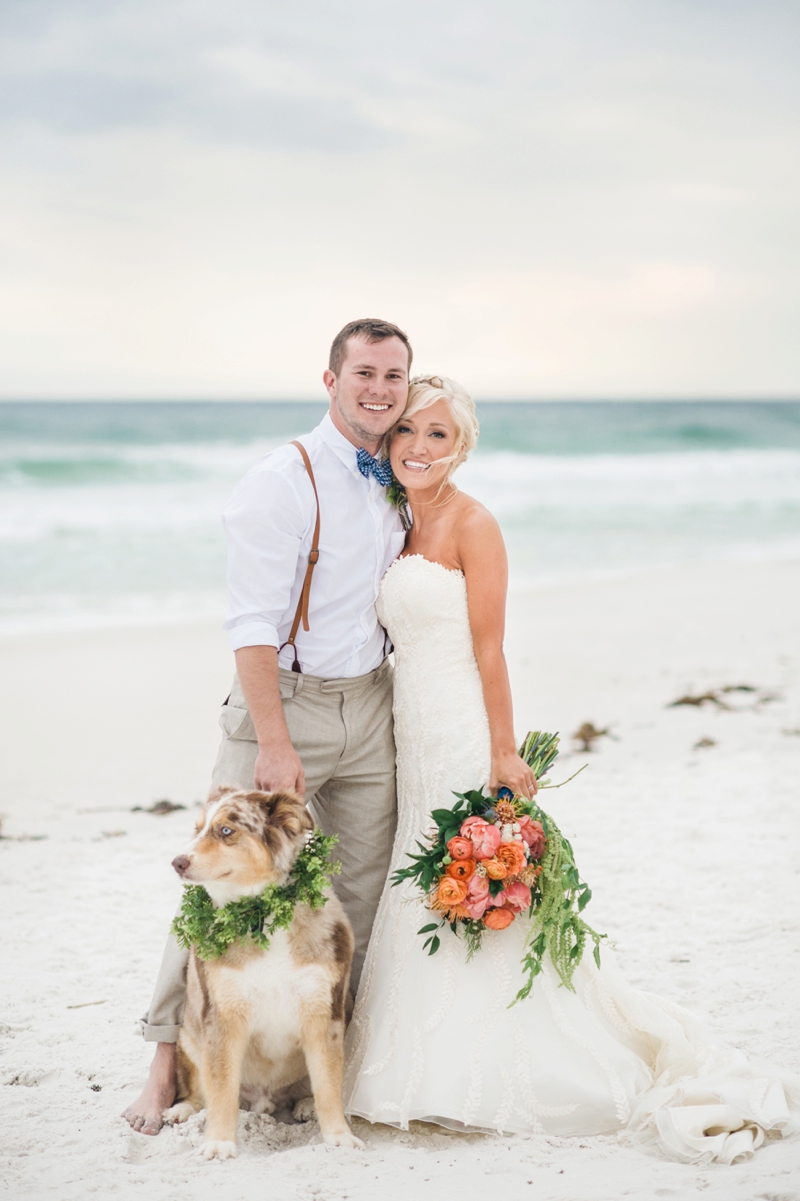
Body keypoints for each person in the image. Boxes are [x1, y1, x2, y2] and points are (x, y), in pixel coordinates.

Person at [343, 374, 800, 1164]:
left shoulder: (474, 523)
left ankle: (485, 1067)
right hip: (406, 730)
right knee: (417, 879)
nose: (419, 444)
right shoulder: (396, 519)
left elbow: (490, 648)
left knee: (472, 876)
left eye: (439, 434)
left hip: (460, 725)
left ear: (462, 447)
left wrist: (504, 749)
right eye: (409, 429)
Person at [123, 317, 411, 1136]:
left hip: (372, 701)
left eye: (394, 376)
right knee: (219, 890)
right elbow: (251, 623)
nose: (380, 389)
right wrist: (275, 739)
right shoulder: (279, 481)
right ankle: (161, 1066)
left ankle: (323, 1072)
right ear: (331, 380)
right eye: (365, 372)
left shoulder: (396, 473)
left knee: (354, 892)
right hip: (285, 702)